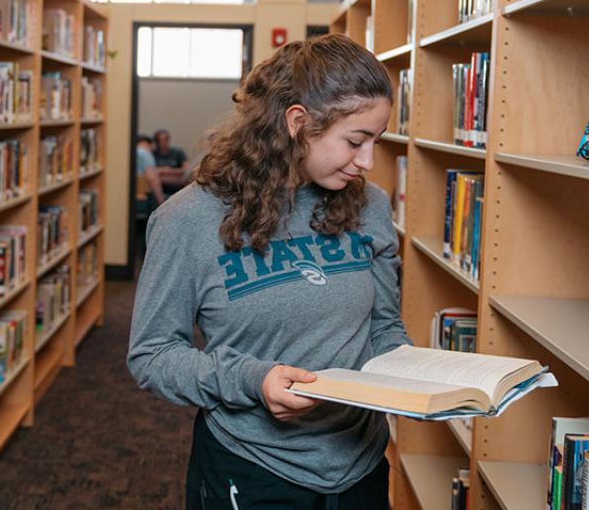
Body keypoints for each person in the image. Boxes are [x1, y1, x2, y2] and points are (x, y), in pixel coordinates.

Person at [128, 34, 411, 509]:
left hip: (360, 464)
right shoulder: (189, 220)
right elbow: (152, 355)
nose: (368, 162)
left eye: (376, 141)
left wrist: (418, 381)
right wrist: (253, 381)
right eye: (356, 141)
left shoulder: (371, 206)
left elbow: (383, 327)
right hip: (254, 469)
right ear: (298, 123)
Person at [153, 129, 189, 195]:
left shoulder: (178, 152)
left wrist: (168, 171)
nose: (164, 142)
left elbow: (186, 169)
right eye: (161, 140)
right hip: (159, 185)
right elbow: (151, 171)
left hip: (177, 182)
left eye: (166, 139)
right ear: (157, 141)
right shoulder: (153, 153)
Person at [136, 134, 165, 210]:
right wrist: (162, 203)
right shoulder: (145, 153)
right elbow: (152, 178)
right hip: (142, 199)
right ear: (151, 144)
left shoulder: (133, 152)